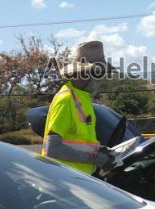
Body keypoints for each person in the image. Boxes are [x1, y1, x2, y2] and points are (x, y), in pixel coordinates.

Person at [41, 40, 117, 175]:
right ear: (82, 72)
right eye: (97, 72)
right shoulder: (65, 100)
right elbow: (52, 149)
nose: (101, 78)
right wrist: (95, 158)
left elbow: (80, 141)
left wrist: (99, 150)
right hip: (63, 181)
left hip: (79, 179)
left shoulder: (83, 99)